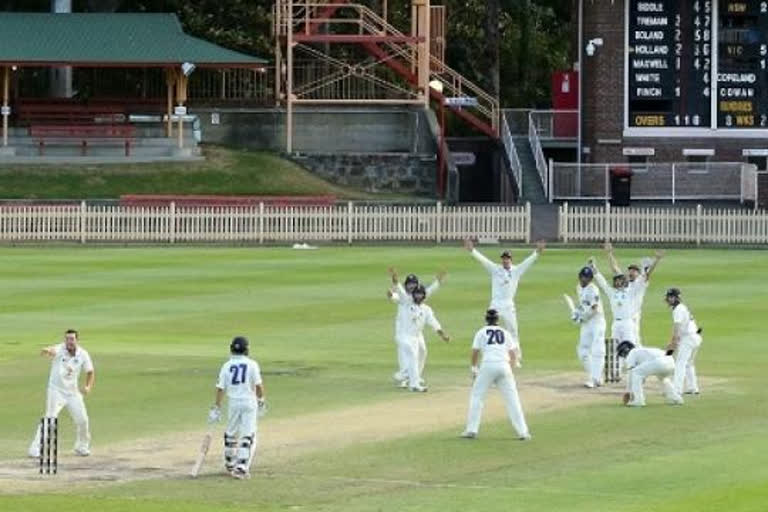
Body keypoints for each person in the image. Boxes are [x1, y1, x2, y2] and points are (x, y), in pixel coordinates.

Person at [463, 239, 545, 366]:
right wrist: (472, 251)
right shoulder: (495, 269)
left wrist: (537, 252)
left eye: (507, 258)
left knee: (513, 332)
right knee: (489, 329)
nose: (505, 260)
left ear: (511, 259)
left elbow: (527, 263)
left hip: (508, 305)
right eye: (503, 258)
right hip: (495, 304)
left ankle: (516, 358)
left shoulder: (516, 271)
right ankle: (487, 356)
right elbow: (483, 261)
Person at [461, 309, 531, 440]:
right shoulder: (505, 333)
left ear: (486, 319)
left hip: (488, 365)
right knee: (512, 400)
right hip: (504, 366)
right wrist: (509, 370)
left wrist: (474, 368)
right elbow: (513, 355)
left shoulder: (481, 332)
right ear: (498, 320)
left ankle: (471, 430)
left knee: (477, 397)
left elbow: (475, 352)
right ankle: (523, 432)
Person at [28, 329, 94, 457]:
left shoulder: (83, 354)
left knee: (83, 420)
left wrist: (88, 387)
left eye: (72, 339)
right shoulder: (61, 349)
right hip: (56, 391)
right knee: (50, 418)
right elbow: (53, 350)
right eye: (67, 339)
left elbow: (90, 371)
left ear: (77, 340)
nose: (69, 342)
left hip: (73, 392)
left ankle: (81, 447)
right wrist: (47, 350)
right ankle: (34, 448)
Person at [208, 336, 266, 480]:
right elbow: (258, 386)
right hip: (249, 402)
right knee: (248, 434)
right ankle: (241, 467)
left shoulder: (226, 365)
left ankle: (229, 462)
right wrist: (261, 401)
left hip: (233, 402)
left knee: (231, 432)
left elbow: (220, 388)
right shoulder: (252, 364)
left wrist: (216, 407)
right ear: (246, 350)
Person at [387, 268, 445, 388]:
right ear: (406, 285)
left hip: (417, 331)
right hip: (404, 330)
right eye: (409, 284)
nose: (412, 286)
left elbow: (429, 291)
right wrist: (393, 289)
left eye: (414, 284)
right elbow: (397, 294)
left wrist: (438, 282)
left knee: (422, 351)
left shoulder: (419, 295)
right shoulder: (404, 298)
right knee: (407, 354)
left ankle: (414, 376)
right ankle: (405, 377)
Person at [605, 242, 663, 345]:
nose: (631, 273)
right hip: (622, 317)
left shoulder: (640, 283)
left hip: (634, 317)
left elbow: (648, 274)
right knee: (619, 345)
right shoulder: (624, 282)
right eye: (630, 271)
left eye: (634, 271)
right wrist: (609, 253)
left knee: (635, 343)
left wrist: (656, 260)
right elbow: (615, 268)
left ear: (638, 273)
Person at [396, 284, 450, 392]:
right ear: (413, 295)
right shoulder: (406, 303)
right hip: (403, 336)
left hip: (415, 338)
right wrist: (396, 282)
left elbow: (434, 323)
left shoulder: (426, 310)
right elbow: (401, 292)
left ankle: (407, 378)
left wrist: (443, 335)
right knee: (412, 354)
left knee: (416, 356)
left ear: (424, 296)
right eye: (416, 294)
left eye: (420, 294)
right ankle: (411, 381)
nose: (418, 296)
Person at [616, 341, 683, 407]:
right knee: (663, 379)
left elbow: (631, 373)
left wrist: (628, 391)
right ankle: (676, 398)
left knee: (635, 373)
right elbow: (643, 375)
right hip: (670, 362)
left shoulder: (632, 352)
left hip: (660, 362)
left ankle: (638, 400)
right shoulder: (642, 352)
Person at [571, 266, 607, 388]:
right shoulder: (578, 288)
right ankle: (595, 376)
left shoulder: (593, 289)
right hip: (587, 323)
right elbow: (583, 305)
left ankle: (594, 379)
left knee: (598, 350)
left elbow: (594, 308)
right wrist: (577, 313)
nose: (584, 279)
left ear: (590, 279)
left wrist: (583, 317)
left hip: (597, 322)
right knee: (582, 351)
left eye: (586, 278)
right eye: (582, 277)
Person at [664, 288, 703, 395]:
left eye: (671, 297)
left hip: (689, 338)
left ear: (677, 298)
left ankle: (676, 390)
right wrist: (674, 342)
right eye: (668, 297)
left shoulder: (678, 310)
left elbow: (677, 327)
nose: (669, 299)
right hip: (695, 337)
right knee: (689, 364)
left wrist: (673, 343)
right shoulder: (682, 307)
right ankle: (693, 388)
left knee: (680, 364)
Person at [592, 260, 639, 346]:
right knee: (615, 347)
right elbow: (603, 283)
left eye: (619, 280)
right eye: (616, 281)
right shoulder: (612, 293)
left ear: (623, 281)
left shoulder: (630, 292)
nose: (617, 282)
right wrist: (595, 271)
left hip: (627, 323)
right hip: (616, 323)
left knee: (630, 346)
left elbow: (638, 282)